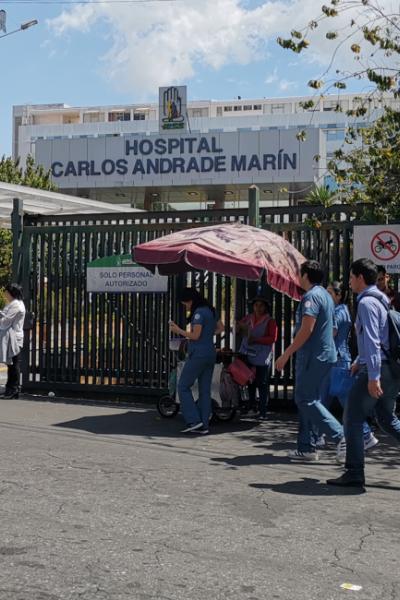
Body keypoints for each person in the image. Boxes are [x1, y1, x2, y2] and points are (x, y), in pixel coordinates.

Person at [327, 258, 400, 490]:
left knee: (352, 418)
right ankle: (354, 471)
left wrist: (373, 376)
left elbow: (371, 340)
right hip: (391, 369)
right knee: (387, 419)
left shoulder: (367, 303)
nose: (349, 282)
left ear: (359, 277)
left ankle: (354, 472)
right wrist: (360, 361)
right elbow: (380, 338)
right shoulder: (382, 302)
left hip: (378, 370)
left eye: (350, 277)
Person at [275, 260, 344, 461]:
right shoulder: (325, 295)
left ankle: (340, 436)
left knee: (304, 399)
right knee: (309, 400)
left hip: (313, 356)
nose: (297, 276)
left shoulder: (311, 297)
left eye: (299, 273)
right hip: (323, 355)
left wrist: (286, 353)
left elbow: (307, 329)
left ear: (305, 275)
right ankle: (306, 447)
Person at [318, 281, 378, 453]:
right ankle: (319, 434)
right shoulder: (340, 311)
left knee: (345, 402)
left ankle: (366, 435)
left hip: (337, 362)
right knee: (322, 399)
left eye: (330, 293)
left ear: (339, 295)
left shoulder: (338, 312)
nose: (326, 297)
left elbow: (331, 332)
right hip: (335, 361)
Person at [169, 288, 223, 434]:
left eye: (185, 304)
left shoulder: (199, 313)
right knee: (205, 390)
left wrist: (178, 330)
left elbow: (195, 336)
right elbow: (221, 328)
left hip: (198, 354)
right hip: (210, 353)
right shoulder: (211, 310)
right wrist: (208, 333)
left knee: (183, 386)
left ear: (190, 300)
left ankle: (194, 420)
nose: (186, 307)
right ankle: (204, 425)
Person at [237, 297, 278, 419]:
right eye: (256, 305)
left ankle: (263, 411)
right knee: (250, 381)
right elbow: (239, 330)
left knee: (262, 382)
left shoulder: (270, 321)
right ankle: (251, 406)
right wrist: (239, 327)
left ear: (265, 307)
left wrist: (256, 340)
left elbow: (273, 338)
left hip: (262, 355)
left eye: (261, 305)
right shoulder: (248, 318)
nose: (258, 308)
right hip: (248, 353)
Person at [0, 283, 26, 399]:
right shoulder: (15, 303)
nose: (4, 294)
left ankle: (13, 389)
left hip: (13, 337)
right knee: (12, 364)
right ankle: (11, 388)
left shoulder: (15, 305)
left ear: (11, 293)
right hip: (13, 336)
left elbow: (5, 322)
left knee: (14, 364)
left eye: (6, 292)